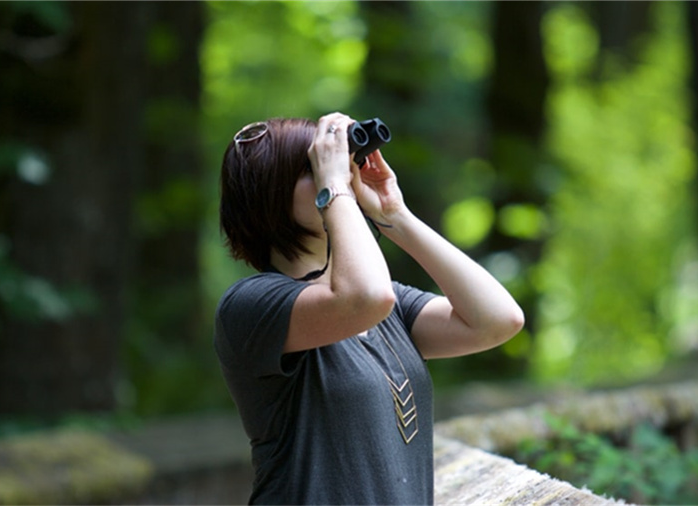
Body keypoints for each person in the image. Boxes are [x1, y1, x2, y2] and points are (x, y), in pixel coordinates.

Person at [215, 112, 524, 505]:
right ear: (270, 193)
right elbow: (365, 299)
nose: (341, 173)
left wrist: (395, 216)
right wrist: (336, 189)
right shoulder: (251, 306)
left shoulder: (384, 304)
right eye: (315, 168)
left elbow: (497, 321)